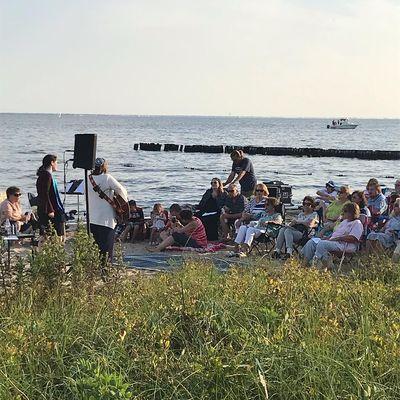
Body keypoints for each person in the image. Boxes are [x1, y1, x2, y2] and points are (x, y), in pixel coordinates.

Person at [88, 158, 128, 263]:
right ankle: (105, 273)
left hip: (92, 218)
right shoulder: (107, 178)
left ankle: (94, 270)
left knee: (95, 247)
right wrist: (116, 198)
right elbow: (122, 190)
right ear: (104, 167)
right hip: (106, 219)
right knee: (106, 250)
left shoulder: (87, 178)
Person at [302, 202, 363, 268]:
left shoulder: (357, 223)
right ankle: (305, 263)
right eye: (343, 211)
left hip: (344, 245)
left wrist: (338, 238)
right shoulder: (344, 221)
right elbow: (335, 234)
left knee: (322, 244)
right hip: (334, 242)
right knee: (312, 242)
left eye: (345, 211)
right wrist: (327, 238)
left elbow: (353, 238)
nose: (342, 213)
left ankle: (317, 264)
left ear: (352, 212)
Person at [36, 154, 66, 239]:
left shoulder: (45, 174)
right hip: (50, 209)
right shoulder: (46, 175)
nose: (57, 165)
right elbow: (45, 194)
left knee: (50, 234)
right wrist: (50, 210)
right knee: (53, 235)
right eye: (56, 162)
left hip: (50, 207)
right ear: (52, 163)